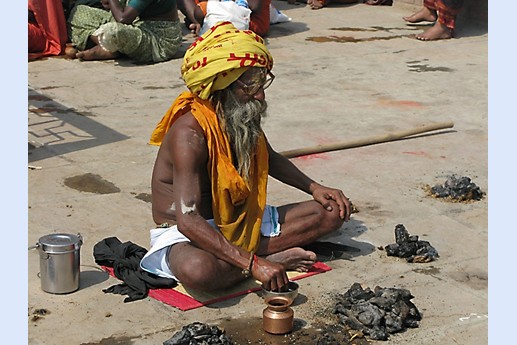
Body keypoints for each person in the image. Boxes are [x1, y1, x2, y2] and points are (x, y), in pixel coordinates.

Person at [140, 21, 352, 293]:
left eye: (262, 82)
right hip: (189, 232)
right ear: (223, 86)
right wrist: (255, 265)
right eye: (251, 85)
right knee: (200, 272)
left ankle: (240, 258)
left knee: (333, 212)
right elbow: (188, 220)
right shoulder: (190, 135)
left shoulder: (238, 112)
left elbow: (270, 157)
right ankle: (267, 258)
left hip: (239, 219)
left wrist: (315, 188)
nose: (260, 95)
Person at [67, 0, 188, 62]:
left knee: (113, 31)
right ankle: (111, 47)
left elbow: (123, 19)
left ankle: (111, 47)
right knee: (79, 12)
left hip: (158, 39)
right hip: (136, 23)